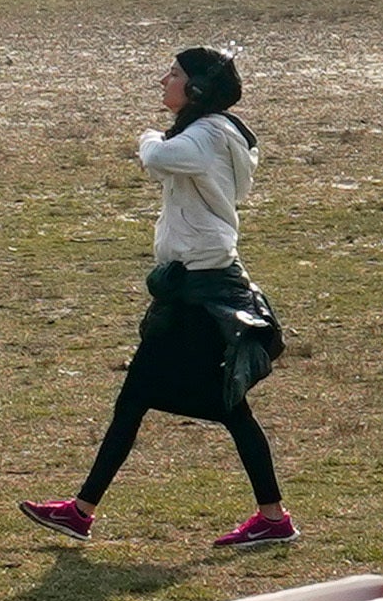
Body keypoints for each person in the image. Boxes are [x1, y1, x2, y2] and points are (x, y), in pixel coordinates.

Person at [25, 45, 295, 549]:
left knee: (154, 399)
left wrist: (148, 135)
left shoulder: (206, 135)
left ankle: (81, 513)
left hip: (201, 291)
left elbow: (158, 156)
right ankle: (270, 517)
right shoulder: (216, 131)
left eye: (174, 74)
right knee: (193, 404)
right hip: (196, 285)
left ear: (195, 88)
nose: (164, 80)